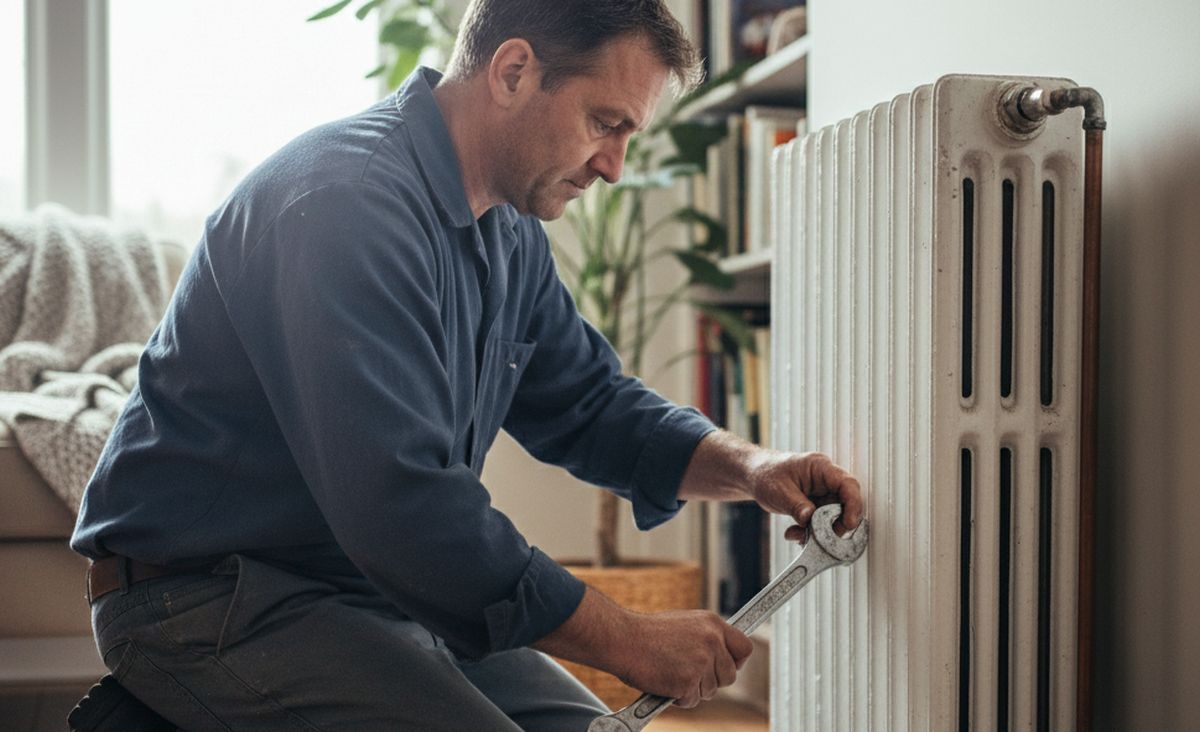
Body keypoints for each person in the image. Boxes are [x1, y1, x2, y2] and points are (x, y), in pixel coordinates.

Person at [71, 1, 865, 729]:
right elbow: (404, 503)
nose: (615, 166)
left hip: (371, 594)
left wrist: (754, 468)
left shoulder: (507, 233)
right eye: (604, 123)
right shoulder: (343, 205)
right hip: (205, 598)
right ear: (513, 71)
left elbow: (591, 404)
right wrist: (627, 638)